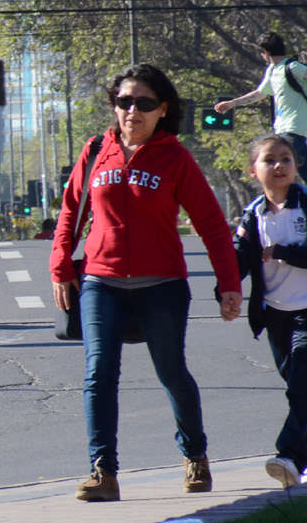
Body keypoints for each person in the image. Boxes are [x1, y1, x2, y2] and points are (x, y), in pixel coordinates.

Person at [50, 64, 241, 502]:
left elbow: (211, 224)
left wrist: (228, 283)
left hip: (163, 285)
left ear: (162, 110)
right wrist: (60, 262)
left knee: (171, 371)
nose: (132, 110)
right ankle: (104, 472)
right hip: (102, 281)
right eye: (124, 102)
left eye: (143, 103)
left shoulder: (175, 157)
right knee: (99, 373)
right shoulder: (97, 149)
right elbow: (71, 210)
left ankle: (195, 455)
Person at [232, 133, 307, 490]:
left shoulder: (305, 205)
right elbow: (240, 257)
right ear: (253, 170)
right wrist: (226, 289)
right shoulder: (253, 214)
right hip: (276, 314)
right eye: (269, 160)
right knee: (297, 388)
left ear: (296, 167)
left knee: (304, 382)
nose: (279, 165)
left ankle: (289, 457)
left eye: (286, 159)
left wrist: (282, 252)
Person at [216, 33, 307, 169]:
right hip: (282, 129)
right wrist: (231, 104)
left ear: (266, 52)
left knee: (281, 168)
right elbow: (260, 93)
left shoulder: (293, 67)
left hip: (296, 129)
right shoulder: (272, 70)